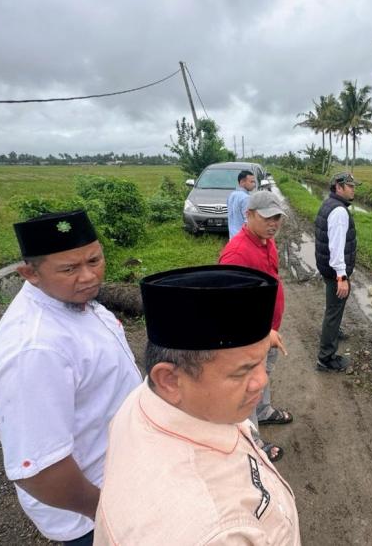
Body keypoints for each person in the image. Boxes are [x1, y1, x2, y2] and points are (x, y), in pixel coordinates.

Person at [94, 265, 301, 545]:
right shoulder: (210, 532)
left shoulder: (151, 399)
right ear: (169, 379)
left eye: (262, 360)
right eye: (243, 371)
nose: (261, 381)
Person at [0, 210, 141, 546]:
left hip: (125, 475)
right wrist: (105, 510)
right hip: (90, 515)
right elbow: (40, 472)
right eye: (69, 269)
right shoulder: (34, 352)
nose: (88, 276)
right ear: (30, 273)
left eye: (94, 260)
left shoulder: (74, 300)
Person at [219, 191, 292, 462]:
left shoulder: (266, 242)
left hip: (268, 331)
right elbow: (228, 307)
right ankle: (250, 438)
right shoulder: (237, 253)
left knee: (264, 373)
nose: (274, 224)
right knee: (248, 384)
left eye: (277, 218)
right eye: (267, 218)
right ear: (248, 215)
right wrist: (261, 332)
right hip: (249, 336)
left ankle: (263, 410)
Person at [314, 172, 359, 372]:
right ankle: (325, 358)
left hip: (327, 268)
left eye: (353, 186)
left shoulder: (329, 204)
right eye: (350, 186)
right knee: (334, 310)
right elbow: (336, 247)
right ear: (338, 187)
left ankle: (333, 331)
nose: (353, 189)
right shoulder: (339, 212)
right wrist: (342, 276)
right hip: (335, 271)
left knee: (333, 307)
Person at [227, 169, 257, 238]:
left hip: (232, 237)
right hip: (243, 239)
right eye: (251, 182)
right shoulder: (246, 198)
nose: (254, 185)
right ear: (242, 182)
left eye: (254, 182)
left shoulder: (231, 195)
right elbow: (248, 222)